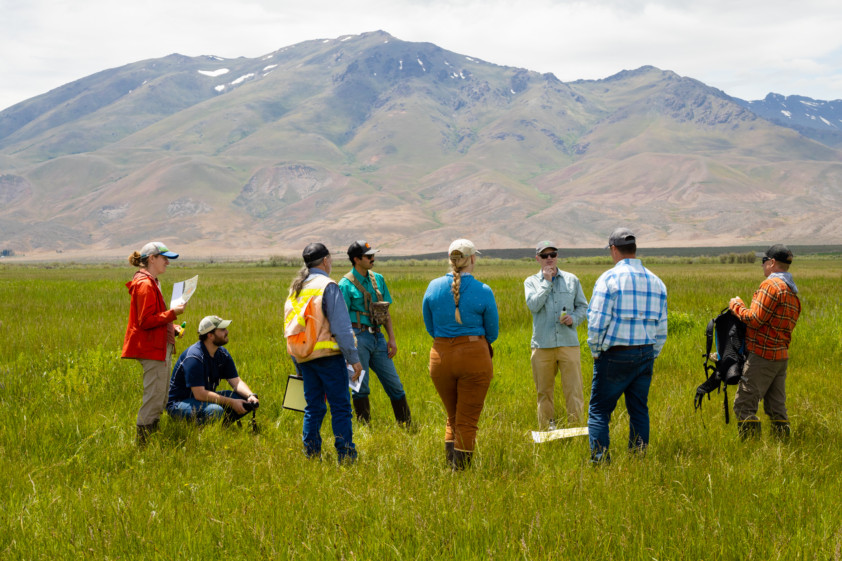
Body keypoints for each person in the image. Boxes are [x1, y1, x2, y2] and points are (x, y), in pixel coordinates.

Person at [586, 228, 667, 464]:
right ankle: (638, 458)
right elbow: (662, 328)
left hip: (614, 354)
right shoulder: (657, 282)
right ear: (634, 249)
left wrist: (596, 351)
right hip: (645, 352)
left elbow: (597, 323)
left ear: (614, 249)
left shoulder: (609, 279)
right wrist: (652, 353)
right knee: (639, 409)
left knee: (600, 411)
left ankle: (600, 461)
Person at [422, 239, 499, 470]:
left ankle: (450, 467)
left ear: (450, 259)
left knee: (452, 415)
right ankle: (461, 474)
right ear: (472, 259)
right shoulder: (483, 290)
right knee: (467, 420)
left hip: (441, 356)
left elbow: (430, 327)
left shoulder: (433, 287)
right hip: (474, 355)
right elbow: (492, 332)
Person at [284, 243, 363, 463]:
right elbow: (341, 328)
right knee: (340, 407)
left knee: (313, 408)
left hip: (305, 357)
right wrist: (354, 359)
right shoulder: (328, 285)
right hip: (329, 358)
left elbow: (291, 328)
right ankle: (346, 456)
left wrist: (297, 360)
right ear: (326, 261)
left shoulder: (296, 288)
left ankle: (311, 454)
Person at [728, 244, 801, 439]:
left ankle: (750, 451)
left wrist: (736, 306)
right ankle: (782, 446)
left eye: (764, 262)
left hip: (762, 355)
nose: (762, 266)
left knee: (744, 404)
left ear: (772, 262)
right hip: (780, 357)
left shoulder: (771, 285)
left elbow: (754, 318)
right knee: (776, 407)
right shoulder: (792, 292)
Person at [338, 240, 411, 427]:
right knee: (360, 387)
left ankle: (406, 426)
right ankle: (365, 429)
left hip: (378, 337)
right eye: (368, 256)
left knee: (395, 385)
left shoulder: (378, 279)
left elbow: (385, 312)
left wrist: (391, 339)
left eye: (373, 255)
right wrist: (348, 349)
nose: (373, 258)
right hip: (357, 338)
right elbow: (341, 320)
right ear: (356, 259)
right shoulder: (345, 284)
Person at [121, 241, 186, 445]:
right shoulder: (145, 284)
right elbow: (146, 320)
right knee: (154, 399)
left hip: (158, 348)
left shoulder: (152, 281)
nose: (167, 262)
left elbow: (154, 318)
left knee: (160, 398)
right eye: (164, 258)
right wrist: (172, 314)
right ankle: (143, 447)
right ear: (152, 259)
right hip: (151, 350)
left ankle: (151, 442)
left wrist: (172, 327)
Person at [524, 241, 589, 430]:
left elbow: (583, 306)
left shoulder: (572, 280)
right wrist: (547, 283)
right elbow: (533, 306)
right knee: (544, 392)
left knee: (574, 390)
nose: (549, 258)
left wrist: (574, 318)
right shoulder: (531, 282)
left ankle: (576, 429)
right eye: (545, 256)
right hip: (542, 345)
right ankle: (547, 430)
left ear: (557, 256)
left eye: (553, 254)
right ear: (538, 259)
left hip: (568, 343)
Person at [166, 315, 259, 426]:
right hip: (180, 403)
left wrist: (250, 396)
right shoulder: (194, 357)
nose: (227, 332)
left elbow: (236, 382)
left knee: (245, 400)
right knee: (216, 410)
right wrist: (232, 403)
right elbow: (199, 394)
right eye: (222, 329)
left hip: (202, 400)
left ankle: (219, 427)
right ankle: (198, 430)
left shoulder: (222, 354)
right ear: (210, 335)